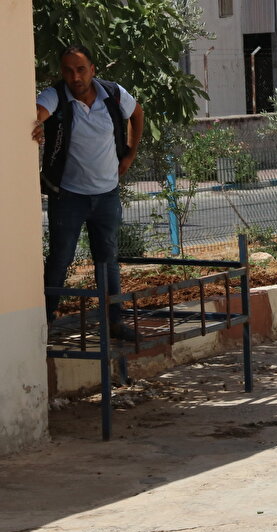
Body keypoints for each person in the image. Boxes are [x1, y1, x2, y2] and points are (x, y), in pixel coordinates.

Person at [35, 44, 144, 339]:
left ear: (92, 69)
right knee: (60, 258)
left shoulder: (113, 93)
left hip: (107, 194)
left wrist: (130, 155)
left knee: (107, 260)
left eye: (81, 69)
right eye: (69, 70)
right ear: (62, 72)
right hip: (68, 196)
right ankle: (44, 324)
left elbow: (137, 113)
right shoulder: (55, 95)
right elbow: (38, 112)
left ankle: (115, 322)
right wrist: (36, 123)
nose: (75, 76)